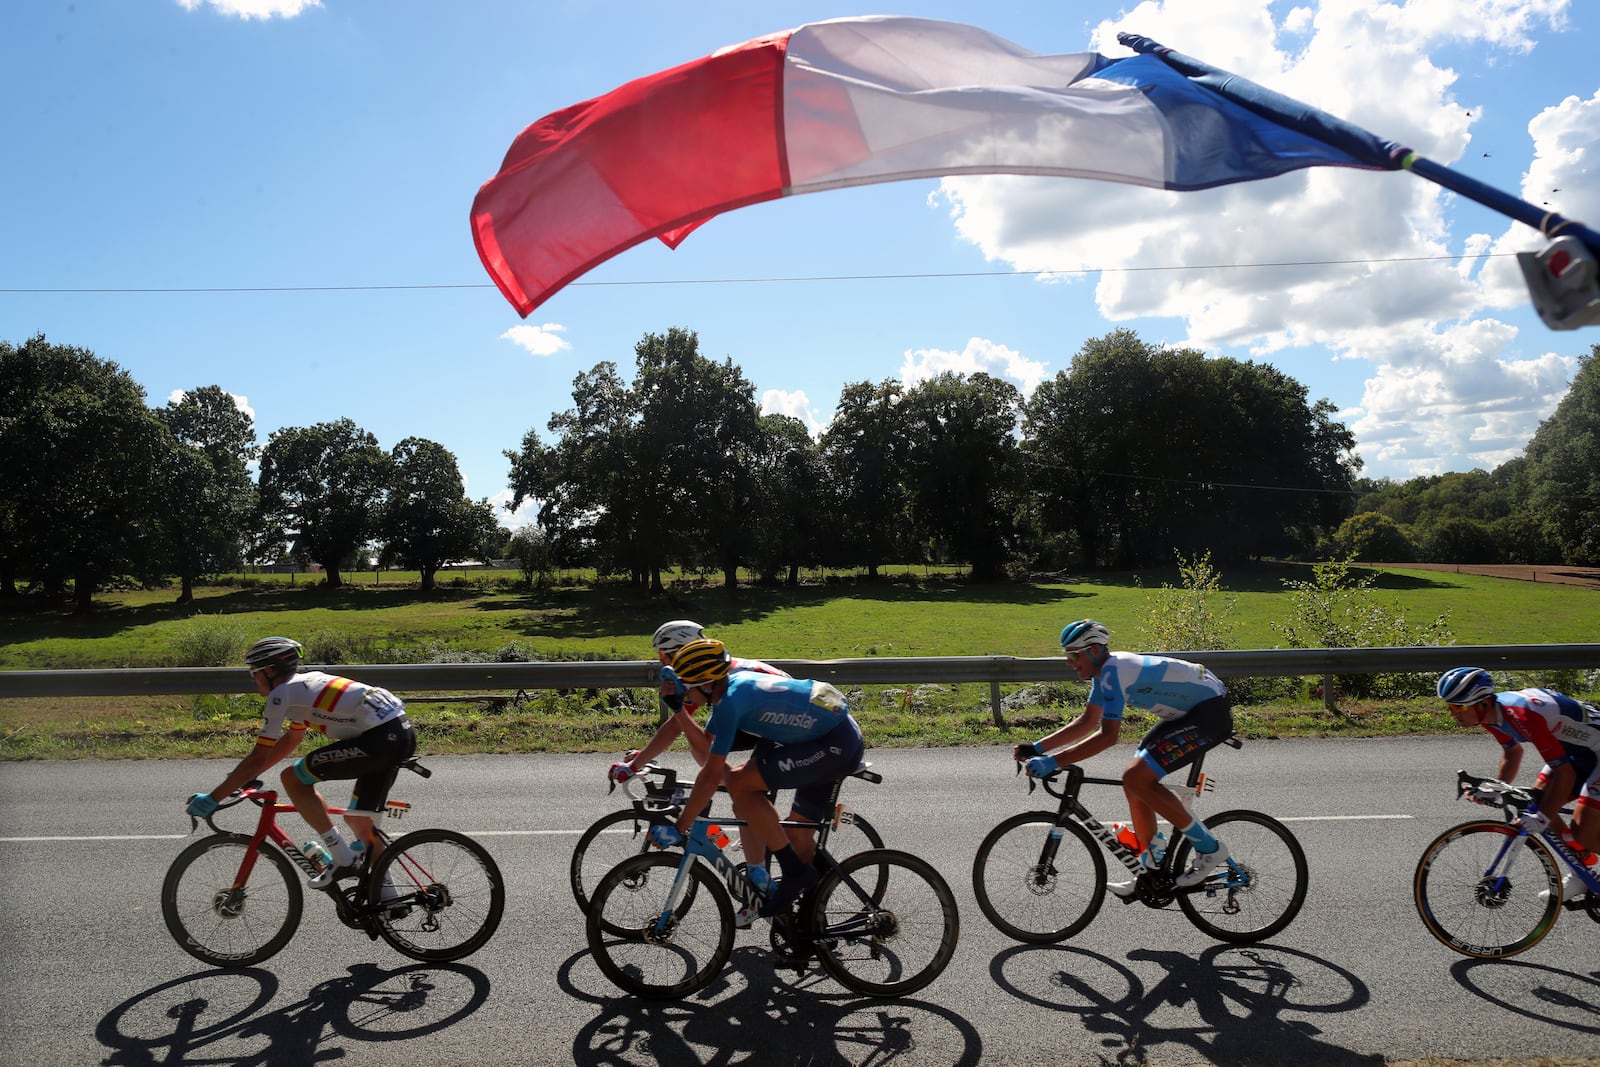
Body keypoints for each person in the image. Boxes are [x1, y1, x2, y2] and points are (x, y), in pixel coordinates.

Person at [648, 637, 863, 924]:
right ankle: (812, 917)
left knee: (739, 783)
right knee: (798, 835)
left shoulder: (731, 702)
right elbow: (706, 746)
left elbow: (711, 773)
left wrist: (680, 827)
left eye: (686, 686)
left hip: (833, 745)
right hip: (826, 735)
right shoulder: (730, 689)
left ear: (706, 683)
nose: (684, 693)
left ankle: (794, 872)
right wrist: (678, 710)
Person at [1014, 619, 1235, 897]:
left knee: (1136, 776)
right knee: (1134, 780)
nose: (1069, 662)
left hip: (1208, 713)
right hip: (1188, 714)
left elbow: (1108, 736)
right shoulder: (1105, 672)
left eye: (1074, 654)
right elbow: (1087, 722)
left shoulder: (1113, 671)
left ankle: (1208, 849)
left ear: (1094, 650)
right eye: (1067, 655)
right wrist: (1037, 748)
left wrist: (1053, 762)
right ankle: (1151, 866)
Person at [184, 637, 416, 891]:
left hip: (381, 739)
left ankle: (342, 858)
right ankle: (390, 899)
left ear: (270, 671)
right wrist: (241, 778)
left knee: (293, 778)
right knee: (359, 821)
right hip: (398, 732)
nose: (253, 679)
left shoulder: (280, 695)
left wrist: (214, 797)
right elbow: (291, 740)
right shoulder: (305, 686)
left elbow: (258, 757)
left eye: (254, 672)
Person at [607, 620, 789, 864]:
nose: (662, 663)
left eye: (664, 656)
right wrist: (642, 758)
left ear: (682, 651)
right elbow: (683, 728)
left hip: (783, 725)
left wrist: (635, 766)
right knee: (701, 748)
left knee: (743, 797)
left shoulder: (708, 677)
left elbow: (674, 727)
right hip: (763, 720)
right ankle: (735, 807)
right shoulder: (705, 675)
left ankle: (759, 878)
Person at [1438, 666, 1600, 900]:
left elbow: (1565, 775)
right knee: (1536, 802)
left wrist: (1542, 818)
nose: (1453, 714)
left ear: (1481, 702)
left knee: (1581, 829)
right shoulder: (1489, 715)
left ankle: (1582, 849)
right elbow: (1512, 752)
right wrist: (1493, 790)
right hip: (1577, 749)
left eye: (1458, 707)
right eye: (1450, 707)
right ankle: (1581, 871)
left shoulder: (1523, 715)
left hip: (1593, 750)